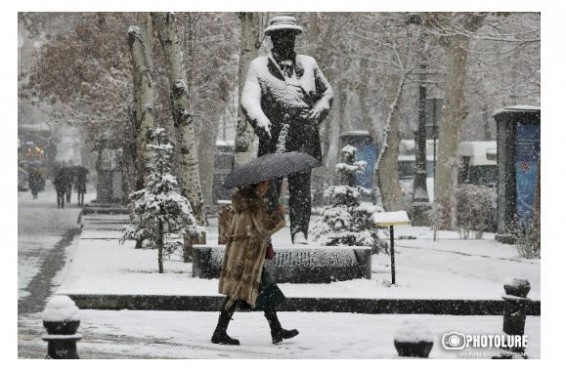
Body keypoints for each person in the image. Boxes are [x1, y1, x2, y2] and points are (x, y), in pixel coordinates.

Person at [241, 16, 333, 245]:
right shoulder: (259, 67)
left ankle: (300, 232)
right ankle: (267, 232)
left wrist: (317, 113)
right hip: (274, 136)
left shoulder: (309, 65)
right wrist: (261, 122)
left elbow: (327, 94)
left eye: (290, 37)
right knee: (270, 189)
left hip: (303, 135)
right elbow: (249, 99)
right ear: (272, 40)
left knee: (301, 189)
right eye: (281, 37)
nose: (287, 42)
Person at [211, 180, 299, 346]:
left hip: (241, 254)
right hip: (247, 257)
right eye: (266, 184)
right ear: (258, 185)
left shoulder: (242, 201)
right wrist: (279, 215)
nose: (268, 187)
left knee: (265, 289)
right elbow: (265, 227)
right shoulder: (253, 204)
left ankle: (276, 329)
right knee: (236, 292)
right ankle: (219, 332)